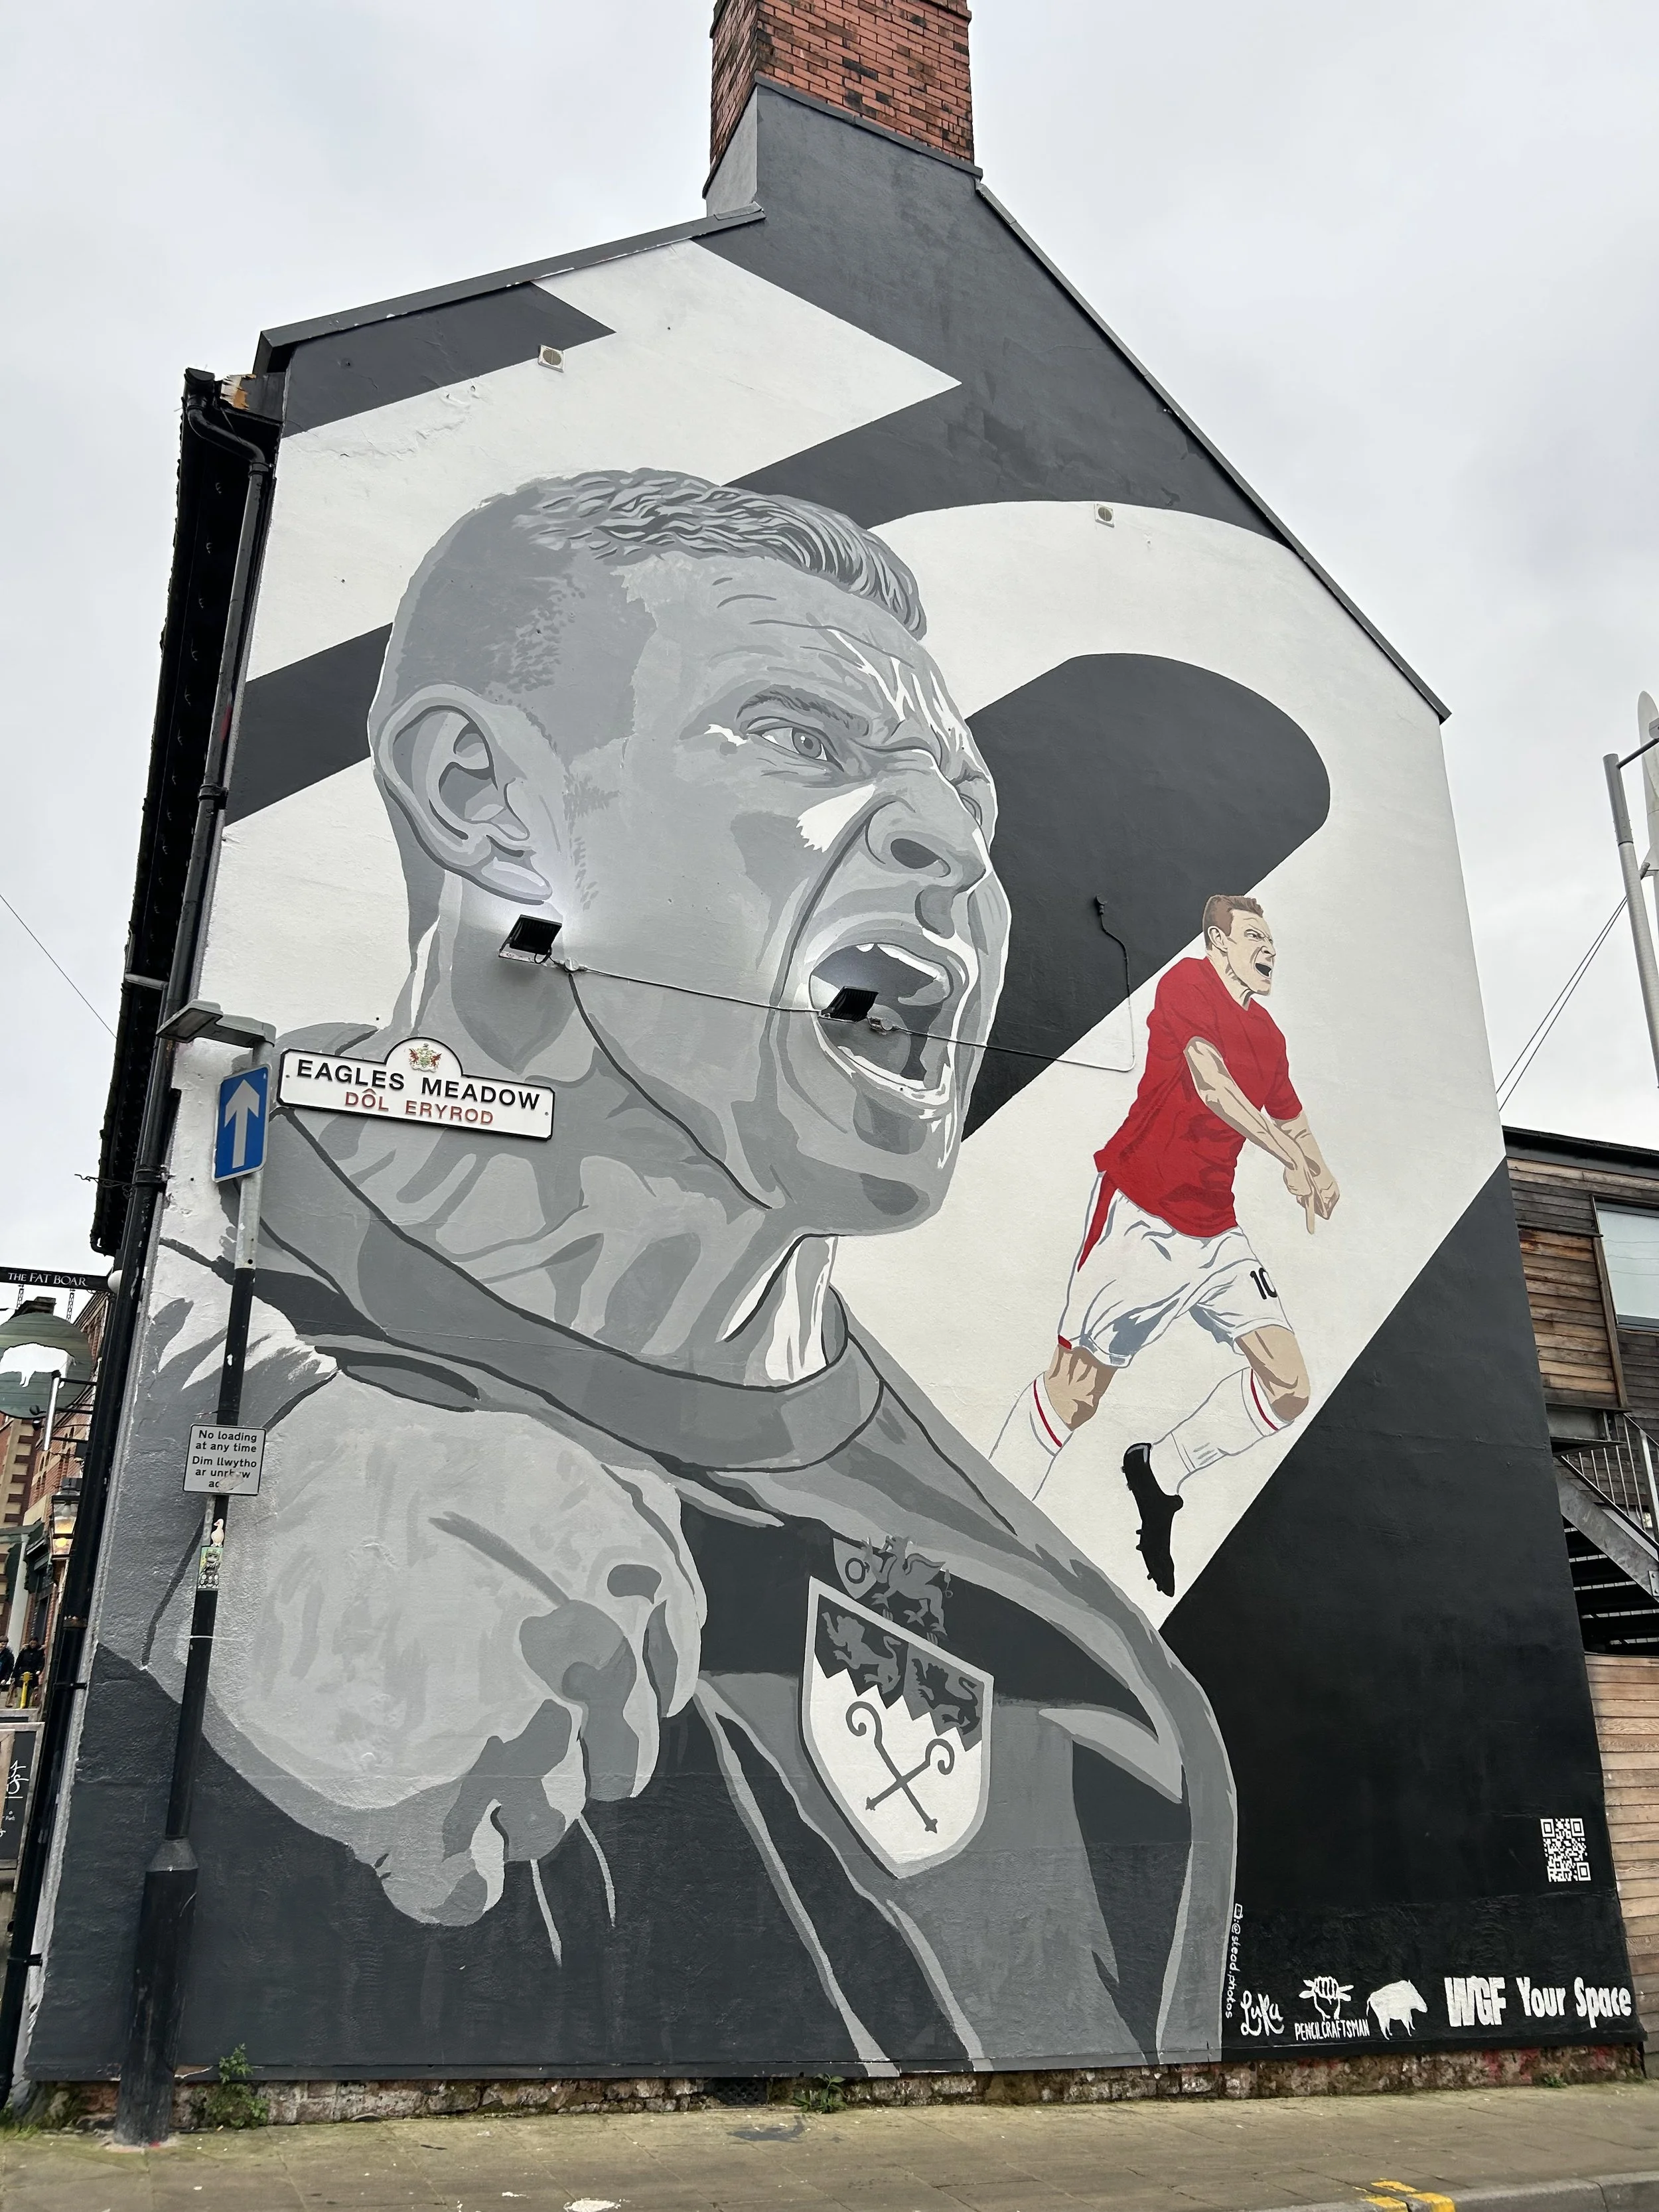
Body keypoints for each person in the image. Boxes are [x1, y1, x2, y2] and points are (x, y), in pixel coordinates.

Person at [129, 469, 1234, 2073]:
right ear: (483, 796)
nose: (950, 848)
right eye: (801, 737)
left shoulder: (1106, 1706)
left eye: (969, 806)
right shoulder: (208, 1259)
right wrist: (226, 1468)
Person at [992, 895, 1338, 1598]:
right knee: (1075, 1393)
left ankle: (1161, 1470)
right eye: (1253, 936)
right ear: (1217, 942)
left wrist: (1318, 1169)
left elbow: (1291, 1116)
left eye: (1271, 939)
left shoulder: (1269, 1036)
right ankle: (983, 1527)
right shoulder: (1187, 984)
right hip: (1140, 1216)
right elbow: (1212, 1085)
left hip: (1217, 1233)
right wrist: (1285, 1156)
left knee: (1289, 1385)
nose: (1269, 949)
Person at [14, 1639, 45, 1708]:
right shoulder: (24, 1651)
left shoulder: (40, 1652)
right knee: (20, 1695)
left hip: (33, 1676)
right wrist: (14, 1676)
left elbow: (41, 1663)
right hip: (21, 1675)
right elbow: (18, 1663)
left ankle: (25, 1708)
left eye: (35, 1644)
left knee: (28, 1695)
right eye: (32, 1643)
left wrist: (39, 1670)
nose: (33, 1645)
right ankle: (18, 1708)